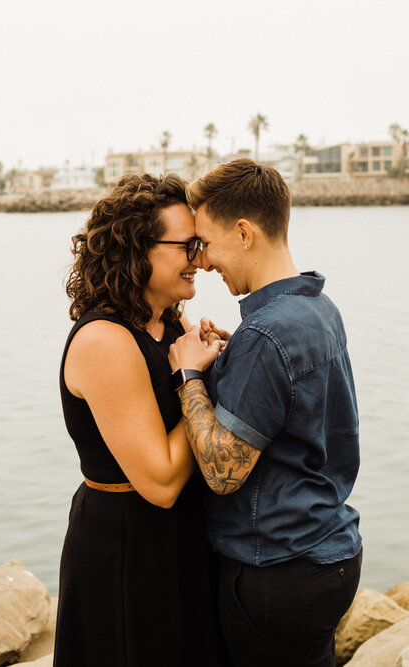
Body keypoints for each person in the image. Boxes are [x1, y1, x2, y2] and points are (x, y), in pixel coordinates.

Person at [168, 158, 362, 667]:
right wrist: (234, 362)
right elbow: (296, 404)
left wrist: (189, 375)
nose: (204, 261)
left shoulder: (265, 336)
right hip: (331, 553)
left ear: (244, 232)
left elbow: (221, 471)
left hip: (277, 568)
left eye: (206, 243)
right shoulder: (318, 308)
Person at [54, 172, 226, 667]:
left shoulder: (170, 320)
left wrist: (215, 356)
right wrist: (197, 377)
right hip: (127, 546)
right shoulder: (105, 341)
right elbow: (162, 481)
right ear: (138, 249)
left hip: (182, 536)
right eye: (187, 245)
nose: (200, 259)